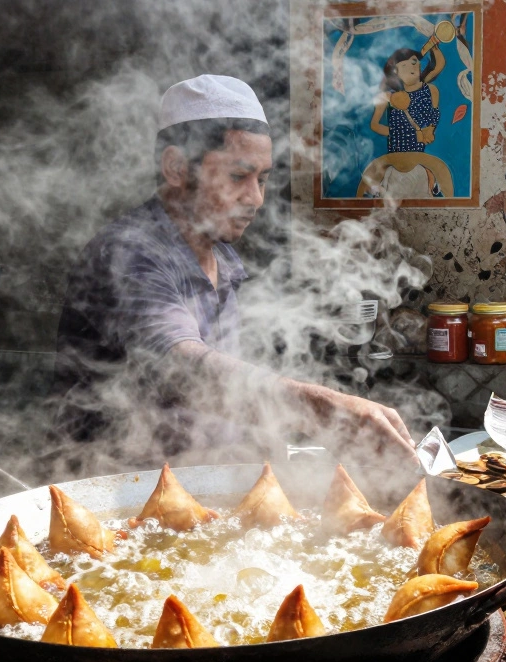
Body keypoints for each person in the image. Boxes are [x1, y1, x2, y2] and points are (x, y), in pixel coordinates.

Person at [53, 75, 416, 469]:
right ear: (176, 167)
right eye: (238, 177)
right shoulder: (129, 252)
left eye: (262, 179)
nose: (255, 199)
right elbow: (182, 369)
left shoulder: (222, 256)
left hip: (205, 488)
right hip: (114, 498)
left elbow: (224, 409)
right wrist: (322, 409)